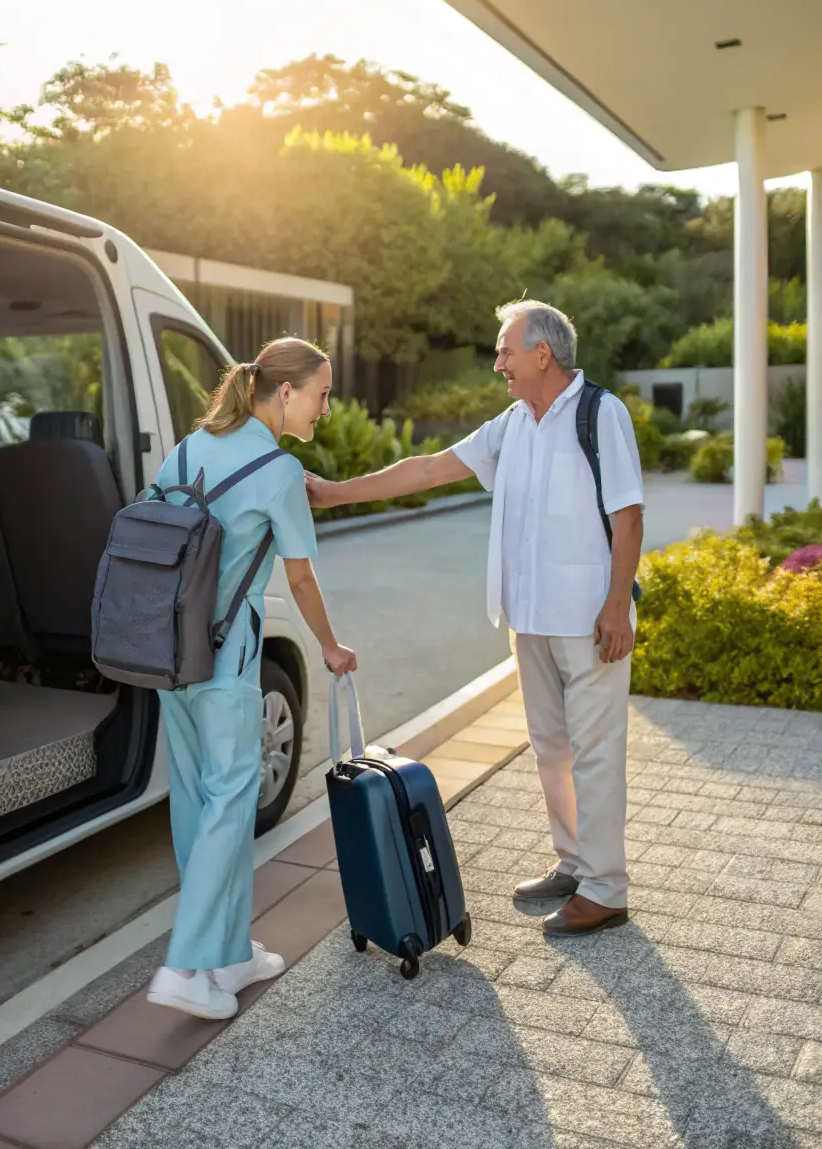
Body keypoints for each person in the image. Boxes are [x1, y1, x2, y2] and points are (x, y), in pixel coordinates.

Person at [306, 301, 643, 937]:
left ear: (542, 353)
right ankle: (574, 863)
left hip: (589, 621)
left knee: (596, 752)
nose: (498, 364)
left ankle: (606, 888)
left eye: (505, 351)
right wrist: (335, 491)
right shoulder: (513, 424)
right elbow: (431, 467)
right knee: (552, 749)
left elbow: (628, 516)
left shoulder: (602, 414)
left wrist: (616, 607)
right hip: (530, 619)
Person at [147, 337, 357, 1020]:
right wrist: (330, 645)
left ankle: (228, 953)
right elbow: (299, 575)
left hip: (167, 653)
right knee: (232, 798)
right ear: (287, 392)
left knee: (198, 799)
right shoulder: (277, 471)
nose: (327, 407)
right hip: (225, 657)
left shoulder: (187, 448)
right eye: (322, 393)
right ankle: (184, 965)